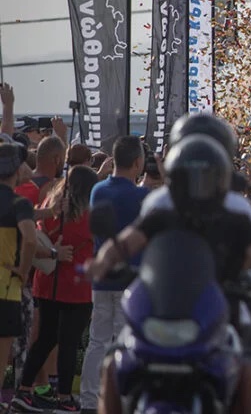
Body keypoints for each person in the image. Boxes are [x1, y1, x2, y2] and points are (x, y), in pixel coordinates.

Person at [87, 134, 251, 414]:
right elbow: (125, 242)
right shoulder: (161, 210)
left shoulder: (233, 215)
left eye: (203, 177)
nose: (196, 185)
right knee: (115, 361)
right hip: (163, 303)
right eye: (188, 177)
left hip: (218, 303)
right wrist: (103, 261)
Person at [11, 166, 97, 413]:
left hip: (47, 283)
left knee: (44, 339)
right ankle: (64, 397)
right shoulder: (89, 216)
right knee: (68, 342)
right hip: (77, 287)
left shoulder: (51, 205)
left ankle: (24, 390)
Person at [79, 136, 150, 414]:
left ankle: (88, 399)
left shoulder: (98, 190)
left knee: (97, 341)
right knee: (124, 342)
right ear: (137, 162)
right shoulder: (141, 196)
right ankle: (120, 399)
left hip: (101, 278)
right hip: (130, 280)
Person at [0, 141, 38, 403]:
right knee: (2, 356)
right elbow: (31, 239)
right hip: (7, 289)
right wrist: (23, 270)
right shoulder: (18, 203)